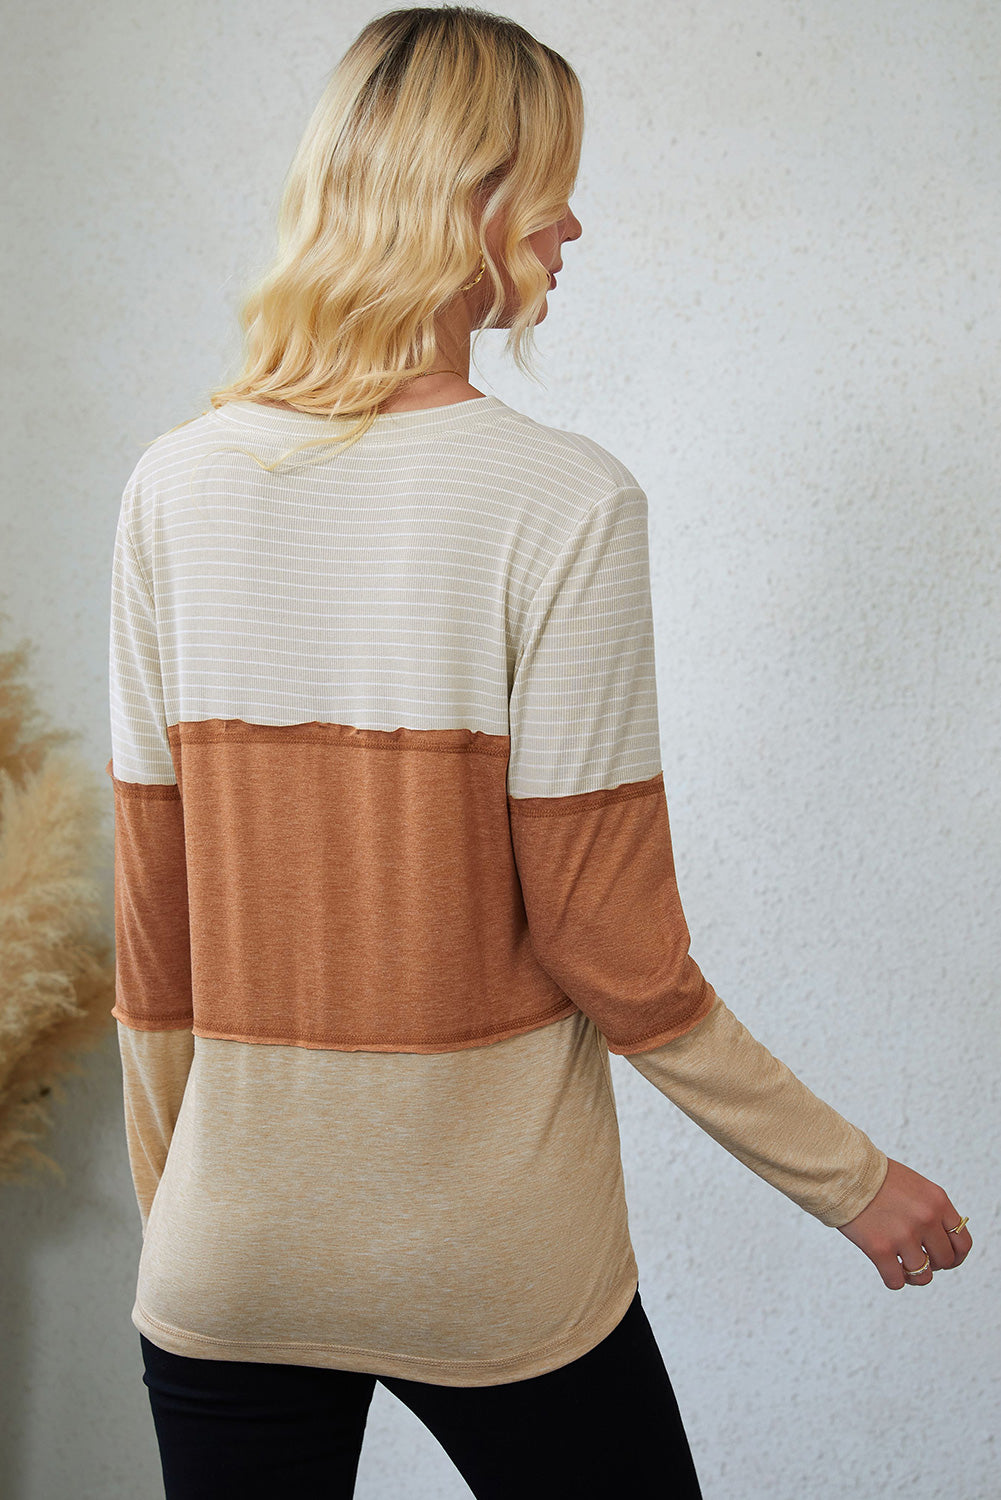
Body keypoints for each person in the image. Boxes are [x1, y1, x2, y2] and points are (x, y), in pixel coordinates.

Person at [106, 8, 972, 1498]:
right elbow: (610, 945)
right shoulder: (562, 502)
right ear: (467, 199)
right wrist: (848, 1180)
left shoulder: (170, 488)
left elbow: (151, 937)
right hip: (492, 1265)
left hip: (225, 1260)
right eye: (551, 188)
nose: (573, 226)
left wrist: (188, 1222)